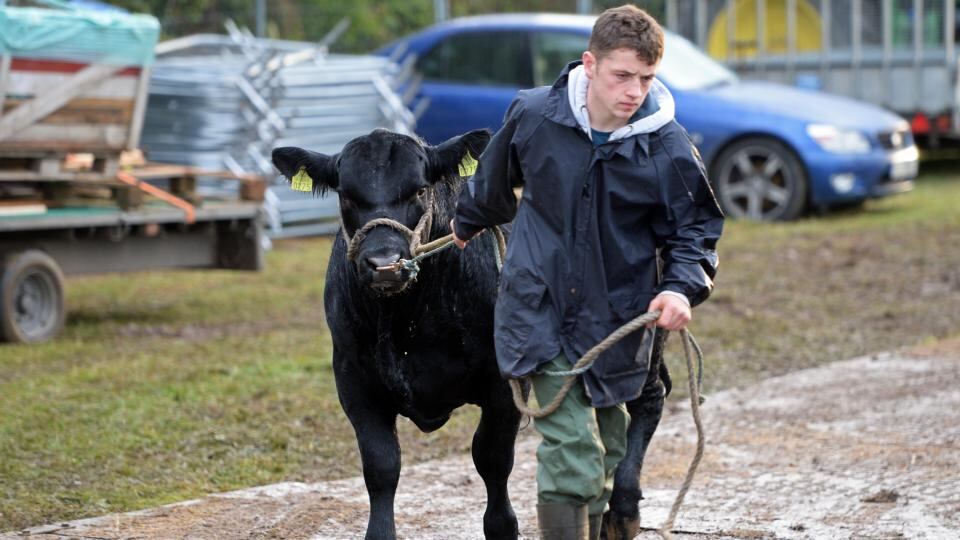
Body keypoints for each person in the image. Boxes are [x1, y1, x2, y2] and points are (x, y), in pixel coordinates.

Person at [451, 5, 724, 539]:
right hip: (538, 305)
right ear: (590, 65)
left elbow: (695, 229)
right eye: (623, 75)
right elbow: (494, 180)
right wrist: (469, 219)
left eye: (646, 78)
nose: (634, 91)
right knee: (573, 451)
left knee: (608, 449)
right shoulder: (534, 115)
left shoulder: (666, 146)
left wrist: (680, 287)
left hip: (618, 315)